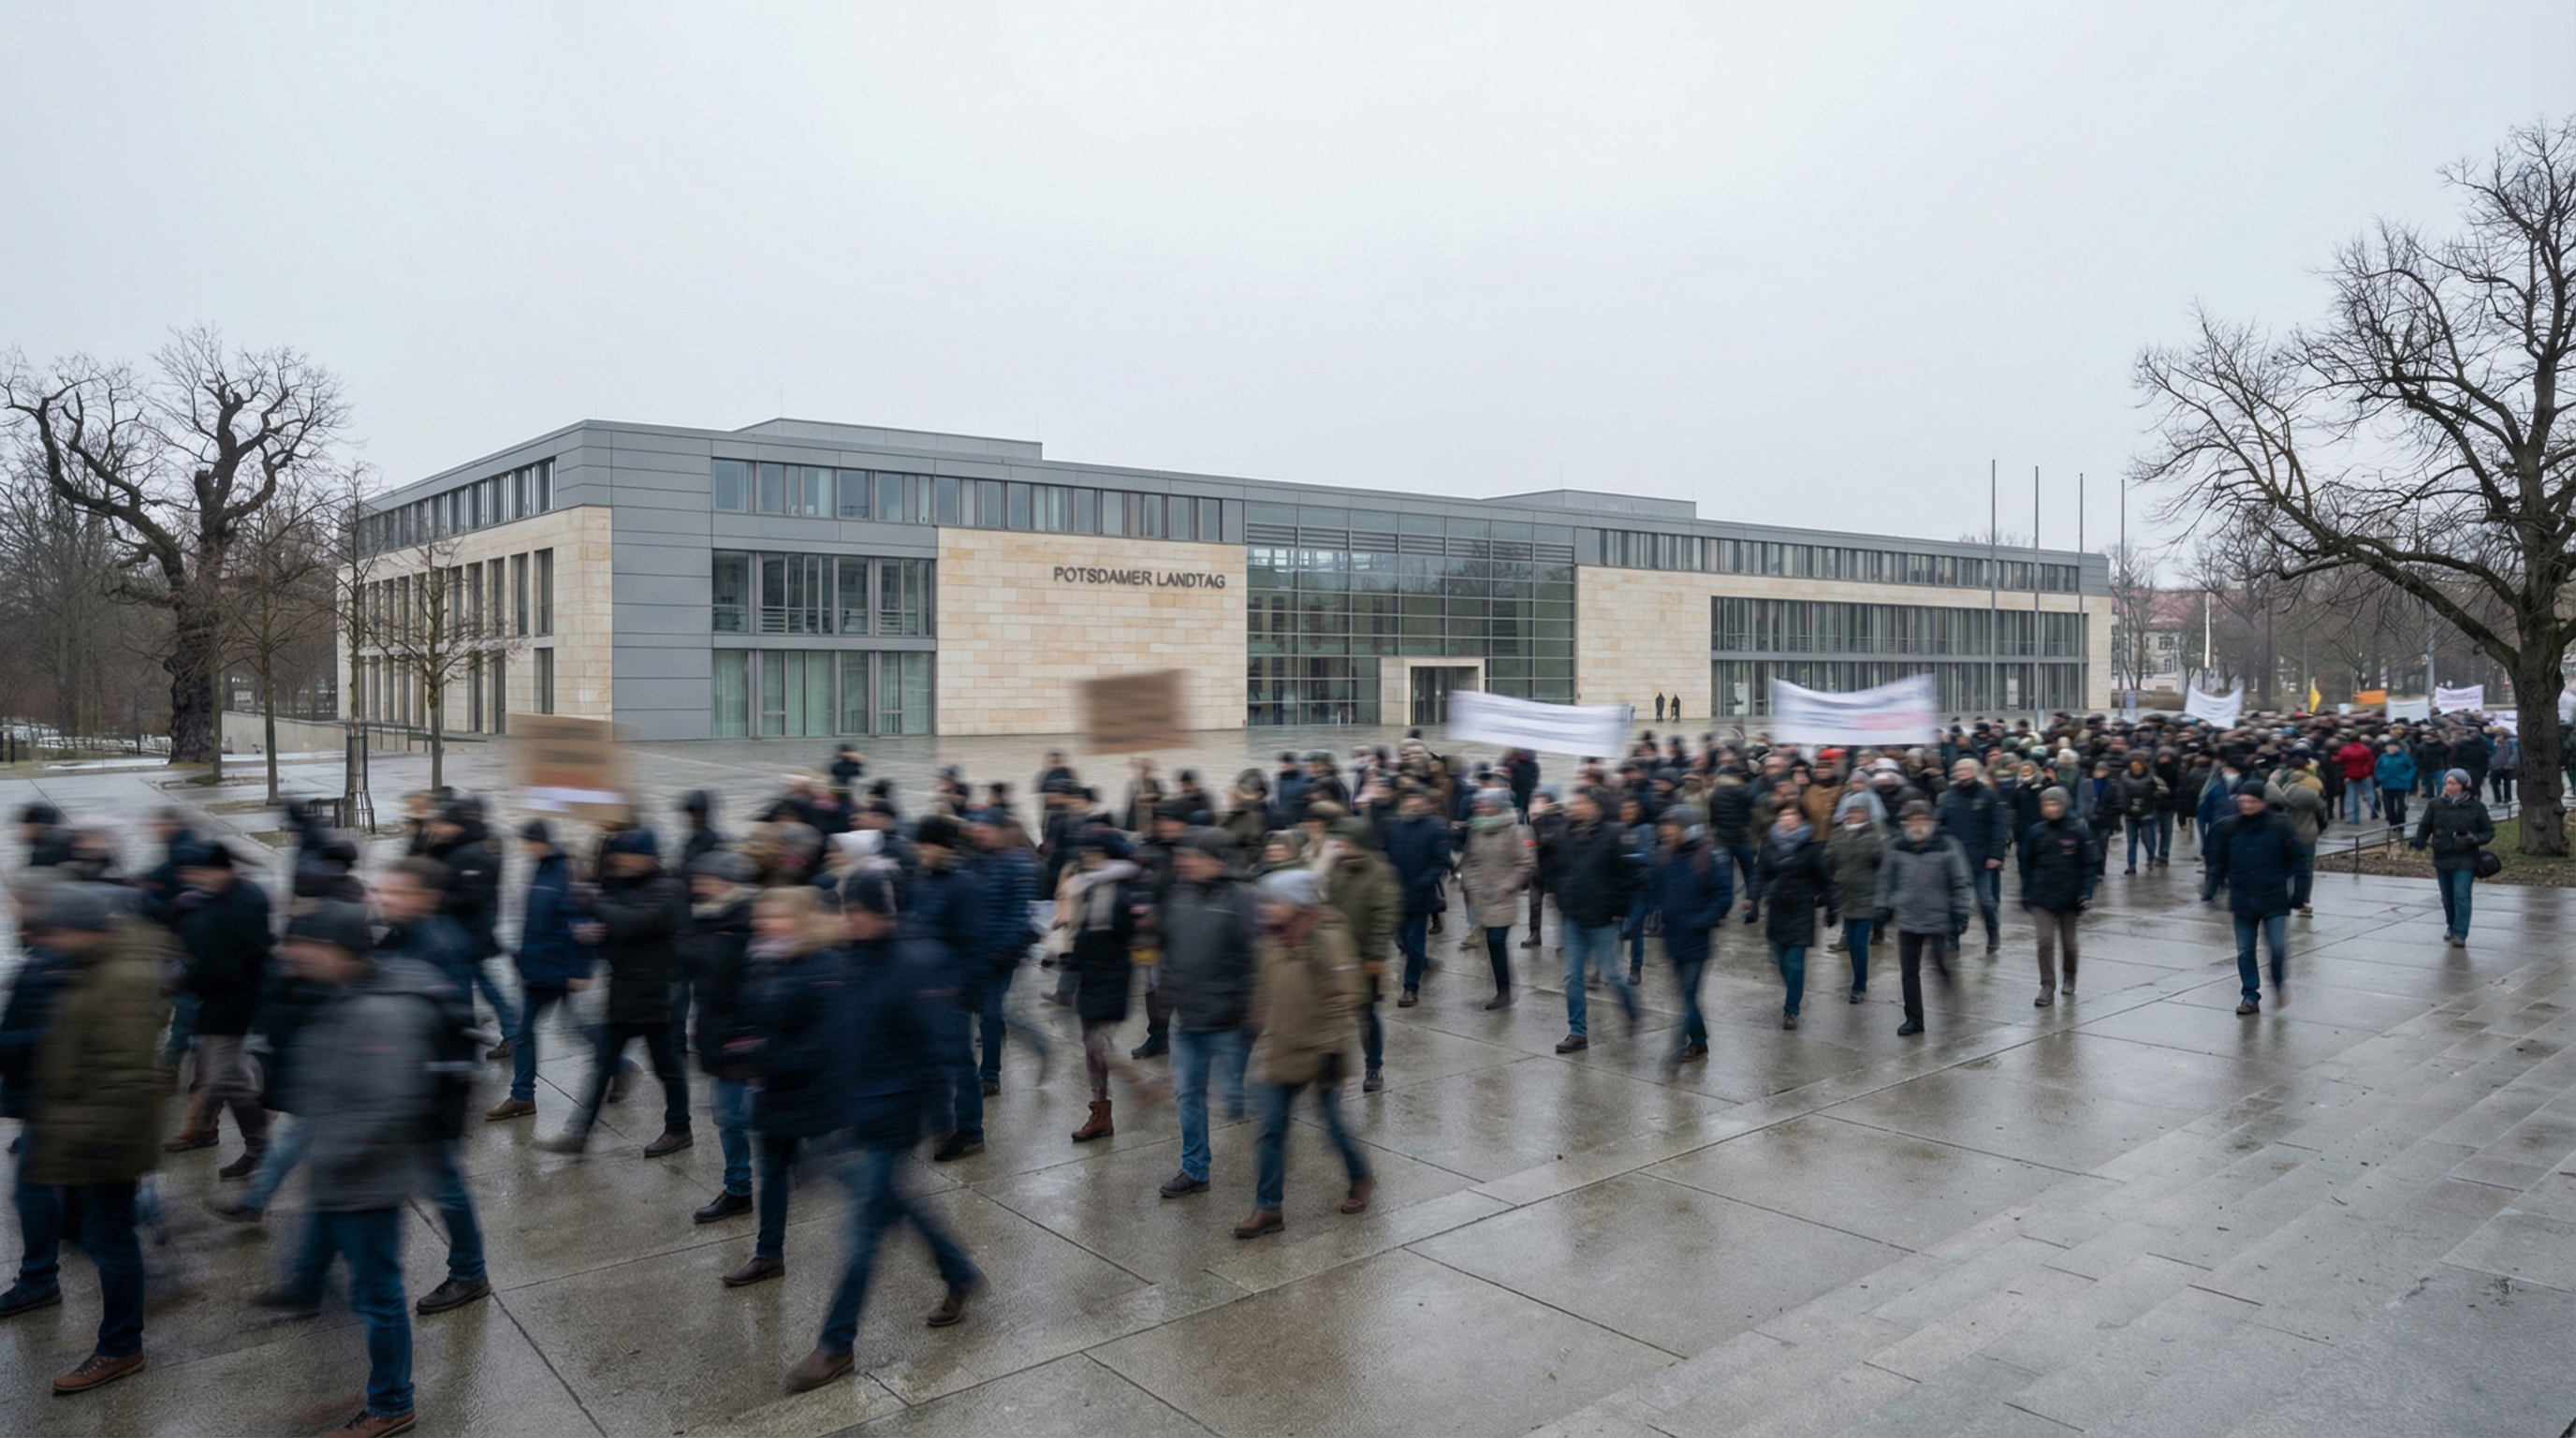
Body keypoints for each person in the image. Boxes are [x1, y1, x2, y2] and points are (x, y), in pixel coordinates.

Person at [787, 870, 981, 1393]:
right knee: (900, 1202)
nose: (852, 920)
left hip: (894, 1117)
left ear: (882, 912)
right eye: (848, 912)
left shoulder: (912, 963)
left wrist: (941, 1119)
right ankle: (959, 1272)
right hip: (854, 1112)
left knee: (863, 1235)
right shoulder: (852, 961)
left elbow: (936, 1048)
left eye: (861, 912)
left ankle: (836, 1345)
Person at [264, 901, 447, 1436]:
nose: (293, 953)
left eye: (305, 944)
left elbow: (389, 1106)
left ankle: (391, 1404)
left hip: (367, 1180)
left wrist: (331, 1150)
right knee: (347, 1276)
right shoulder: (346, 993)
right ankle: (305, 1288)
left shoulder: (378, 1012)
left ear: (337, 950)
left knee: (379, 1296)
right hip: (340, 1175)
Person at [14, 886, 169, 1394]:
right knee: (89, 1232)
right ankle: (139, 1307)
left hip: (106, 1143)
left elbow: (125, 1076)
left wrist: (90, 1143)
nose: (52, 940)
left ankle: (121, 1346)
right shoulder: (90, 969)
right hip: (83, 1135)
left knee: (111, 1241)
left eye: (60, 931)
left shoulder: (121, 980)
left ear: (85, 930)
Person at [368, 860, 492, 1316]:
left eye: (396, 893)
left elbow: (448, 1023)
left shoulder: (440, 943)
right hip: (407, 1082)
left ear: (426, 898)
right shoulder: (402, 935)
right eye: (382, 891)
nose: (384, 899)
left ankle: (470, 1272)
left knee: (445, 1182)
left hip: (431, 1088)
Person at [718, 886, 855, 1287]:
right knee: (773, 1173)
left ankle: (906, 1228)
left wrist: (764, 1057)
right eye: (762, 916)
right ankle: (768, 1254)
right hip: (775, 1094)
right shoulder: (765, 959)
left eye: (775, 916)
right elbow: (752, 1013)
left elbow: (824, 1040)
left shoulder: (824, 964)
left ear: (801, 919)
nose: (764, 923)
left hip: (813, 1097)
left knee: (847, 1177)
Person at [1233, 869, 1372, 1240]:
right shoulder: (1271, 940)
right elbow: (1264, 990)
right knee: (1271, 1130)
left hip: (1323, 1053)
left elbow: (1347, 997)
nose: (1266, 907)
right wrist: (1254, 1022)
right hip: (1283, 1051)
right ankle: (1268, 1208)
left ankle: (1360, 1176)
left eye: (1273, 901)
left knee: (1334, 1126)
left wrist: (1329, 1049)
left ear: (1296, 903)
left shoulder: (1329, 937)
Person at [540, 829, 693, 1157]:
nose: (620, 861)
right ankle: (579, 1134)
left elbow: (633, 923)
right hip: (623, 993)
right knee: (602, 1066)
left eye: (626, 855)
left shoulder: (669, 889)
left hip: (656, 995)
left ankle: (679, 1128)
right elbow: (612, 932)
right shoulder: (620, 887)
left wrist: (595, 904)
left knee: (667, 1068)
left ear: (646, 856)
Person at [1155, 829, 1259, 1198]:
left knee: (1241, 1099)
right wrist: (1167, 997)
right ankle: (1195, 1169)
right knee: (1189, 1095)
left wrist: (1248, 1015)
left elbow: (1255, 960)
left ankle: (1273, 1169)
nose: (1184, 863)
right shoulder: (1178, 895)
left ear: (1217, 861)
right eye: (1182, 857)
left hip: (1229, 1023)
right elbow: (1170, 949)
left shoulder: (1242, 898)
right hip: (1188, 1021)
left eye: (1192, 857)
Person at [164, 843, 274, 1177]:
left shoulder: (233, 905)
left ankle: (259, 1147)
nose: (196, 879)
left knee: (227, 1080)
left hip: (230, 1010)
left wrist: (186, 979)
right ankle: (221, 1134)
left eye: (201, 872)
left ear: (219, 870)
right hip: (229, 1008)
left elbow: (221, 964)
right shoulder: (238, 896)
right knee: (224, 1077)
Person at [484, 822, 586, 1123]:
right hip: (537, 968)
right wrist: (522, 955)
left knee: (574, 1030)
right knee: (525, 1031)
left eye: (530, 842)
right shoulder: (539, 869)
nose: (525, 847)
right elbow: (533, 920)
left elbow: (579, 923)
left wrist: (579, 969)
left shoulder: (565, 872)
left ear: (543, 842)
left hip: (558, 969)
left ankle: (619, 1066)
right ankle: (522, 1096)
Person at [677, 850, 757, 1222]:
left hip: (740, 1039)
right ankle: (739, 1188)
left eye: (707, 879)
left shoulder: (742, 922)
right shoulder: (708, 919)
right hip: (719, 1036)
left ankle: (740, 1188)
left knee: (733, 1117)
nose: (699, 886)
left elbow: (732, 975)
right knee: (729, 1117)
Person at [1061, 831, 1144, 1141]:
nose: (1087, 857)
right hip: (1091, 976)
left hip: (1112, 977)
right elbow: (1083, 935)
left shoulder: (1125, 890)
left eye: (1094, 852)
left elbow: (1133, 936)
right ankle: (1101, 1113)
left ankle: (1141, 1089)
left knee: (1097, 1043)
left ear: (1108, 856)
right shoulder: (1093, 886)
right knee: (1091, 1048)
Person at [2201, 780, 2304, 1015]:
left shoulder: (2280, 826)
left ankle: (2278, 981)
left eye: (2252, 801)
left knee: (2277, 947)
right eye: (2243, 800)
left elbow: (2299, 861)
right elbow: (2218, 862)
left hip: (2274, 899)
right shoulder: (2229, 828)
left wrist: (2299, 893)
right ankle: (2250, 995)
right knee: (2246, 951)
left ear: (2263, 802)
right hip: (2243, 899)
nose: (2246, 805)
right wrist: (2211, 889)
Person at [1552, 786, 1641, 1052]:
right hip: (1574, 918)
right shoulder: (1566, 834)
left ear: (1595, 806)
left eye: (1581, 802)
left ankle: (1632, 1009)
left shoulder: (1615, 834)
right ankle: (1577, 1032)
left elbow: (1630, 876)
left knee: (1612, 974)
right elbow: (1557, 871)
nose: (1575, 807)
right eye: (1574, 802)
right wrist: (1562, 900)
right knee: (1573, 977)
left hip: (1604, 920)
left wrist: (1617, 909)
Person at [1875, 801, 1971, 1036]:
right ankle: (1914, 1019)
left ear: (1931, 822)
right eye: (1912, 820)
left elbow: (1960, 882)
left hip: (1938, 918)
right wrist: (1882, 906)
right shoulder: (1897, 847)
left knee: (1940, 964)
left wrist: (1961, 913)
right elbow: (1886, 879)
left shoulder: (1947, 846)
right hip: (1907, 918)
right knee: (1909, 972)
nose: (1917, 825)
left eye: (1922, 820)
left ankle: (1952, 996)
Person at [1648, 809, 1730, 1066]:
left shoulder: (1709, 857)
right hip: (1673, 940)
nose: (1665, 830)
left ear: (1686, 827)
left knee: (1686, 995)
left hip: (1696, 942)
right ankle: (1699, 1041)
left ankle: (1676, 1048)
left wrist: (1700, 921)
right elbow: (1656, 891)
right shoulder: (1665, 856)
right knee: (1687, 996)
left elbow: (1723, 897)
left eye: (1671, 825)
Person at [1755, 800, 1834, 1030]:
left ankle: (1791, 1009)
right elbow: (1759, 873)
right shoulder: (1769, 844)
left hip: (1802, 910)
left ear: (1801, 818)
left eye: (1792, 814)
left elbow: (1825, 879)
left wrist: (1832, 905)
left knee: (1795, 963)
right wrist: (1753, 898)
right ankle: (1793, 989)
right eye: (1783, 814)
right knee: (1781, 961)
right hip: (1777, 909)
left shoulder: (1812, 847)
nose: (1787, 818)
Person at [2017, 788, 2099, 1006]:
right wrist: (2026, 891)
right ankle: (2047, 985)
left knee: (2068, 943)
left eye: (2055, 804)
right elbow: (2025, 863)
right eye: (2046, 805)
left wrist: (2085, 893)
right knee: (2044, 941)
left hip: (2070, 897)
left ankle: (2069, 975)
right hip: (2042, 895)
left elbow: (2089, 865)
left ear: (2064, 805)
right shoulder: (2035, 832)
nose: (2051, 809)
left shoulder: (2078, 832)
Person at [1456, 789, 1533, 1010]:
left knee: (1496, 940)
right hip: (1482, 895)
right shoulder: (1477, 830)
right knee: (1492, 943)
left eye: (1486, 804)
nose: (1481, 807)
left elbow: (1525, 863)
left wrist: (1508, 885)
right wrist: (1471, 883)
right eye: (1479, 804)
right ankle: (1502, 987)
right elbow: (1469, 861)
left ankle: (1505, 990)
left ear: (1498, 805)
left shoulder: (1515, 831)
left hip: (1504, 897)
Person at [1379, 789, 1452, 1007]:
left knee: (1415, 943)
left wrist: (1422, 883)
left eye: (1416, 798)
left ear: (1425, 802)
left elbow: (1441, 861)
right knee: (1403, 942)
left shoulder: (1435, 826)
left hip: (1420, 896)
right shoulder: (1394, 825)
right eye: (1408, 799)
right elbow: (1384, 853)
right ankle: (1425, 964)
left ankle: (1410, 988)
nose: (1412, 803)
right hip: (1395, 894)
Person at [2411, 769, 2495, 946]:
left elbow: (2488, 831)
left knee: (2461, 896)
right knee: (2447, 897)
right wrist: (2419, 840)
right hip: (2442, 856)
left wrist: (2475, 838)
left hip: (2466, 857)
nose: (2449, 787)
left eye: (2453, 783)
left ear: (2463, 786)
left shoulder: (2476, 807)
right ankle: (2451, 925)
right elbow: (2425, 825)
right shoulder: (2435, 804)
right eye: (2447, 783)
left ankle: (2460, 933)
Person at [1934, 759, 2009, 954]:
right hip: (1954, 858)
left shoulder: (1988, 796)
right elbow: (1940, 823)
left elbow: (1999, 827)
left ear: (1975, 772)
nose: (1962, 772)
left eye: (1966, 769)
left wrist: (1996, 855)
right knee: (1955, 901)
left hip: (1981, 858)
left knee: (1985, 900)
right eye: (1958, 769)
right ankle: (1953, 937)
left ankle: (1993, 933)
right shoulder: (1950, 796)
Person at [1825, 805, 1884, 1003]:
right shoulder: (1839, 834)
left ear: (1866, 817)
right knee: (1852, 943)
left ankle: (1859, 985)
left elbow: (1883, 863)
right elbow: (1829, 859)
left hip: (1867, 896)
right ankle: (1857, 977)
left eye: (1859, 814)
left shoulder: (1873, 835)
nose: (1854, 817)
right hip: (1846, 896)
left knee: (1860, 942)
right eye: (1851, 814)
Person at [2377, 740, 2417, 832]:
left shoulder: (2404, 757)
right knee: (2388, 807)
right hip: (2386, 785)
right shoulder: (2383, 757)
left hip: (2401, 785)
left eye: (2393, 745)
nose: (2391, 747)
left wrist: (2405, 777)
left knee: (2400, 807)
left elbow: (2412, 768)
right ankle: (2393, 825)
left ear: (2398, 747)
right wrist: (2381, 778)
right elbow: (2378, 768)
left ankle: (2401, 825)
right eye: (2388, 745)